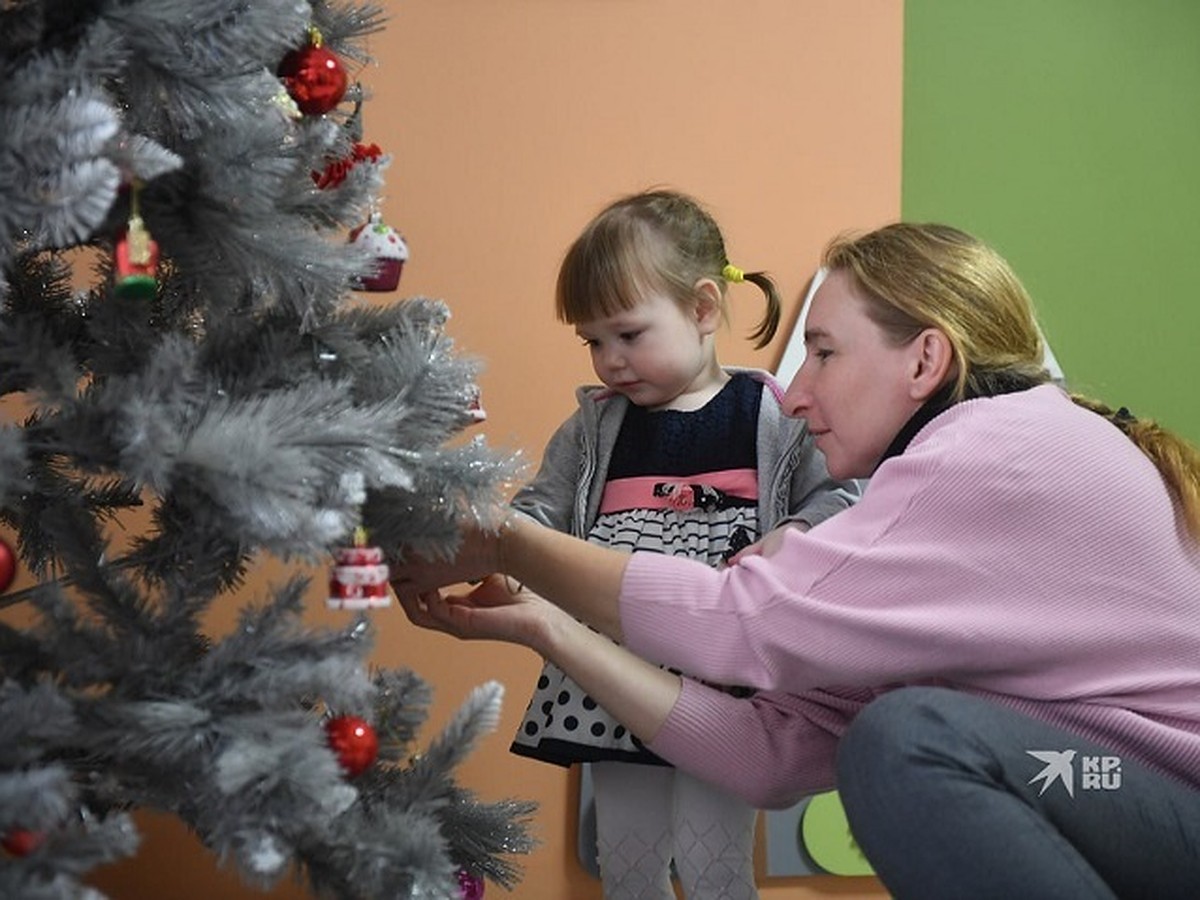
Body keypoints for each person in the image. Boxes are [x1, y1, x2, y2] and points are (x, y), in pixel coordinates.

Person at [392, 222, 1200, 899]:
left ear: (925, 361)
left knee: (909, 740)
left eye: (823, 353)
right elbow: (768, 756)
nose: (796, 392)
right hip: (1106, 788)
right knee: (892, 734)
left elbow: (741, 622)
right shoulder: (947, 513)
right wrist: (548, 628)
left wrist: (508, 540)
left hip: (1154, 797)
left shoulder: (991, 445)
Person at [502, 189, 858, 900]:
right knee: (626, 866)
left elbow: (846, 497)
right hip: (611, 677)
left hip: (722, 678)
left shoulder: (774, 417)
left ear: (701, 309)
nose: (609, 360)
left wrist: (795, 531)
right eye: (593, 341)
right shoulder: (593, 427)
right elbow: (537, 515)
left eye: (628, 335)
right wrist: (505, 551)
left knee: (715, 866)